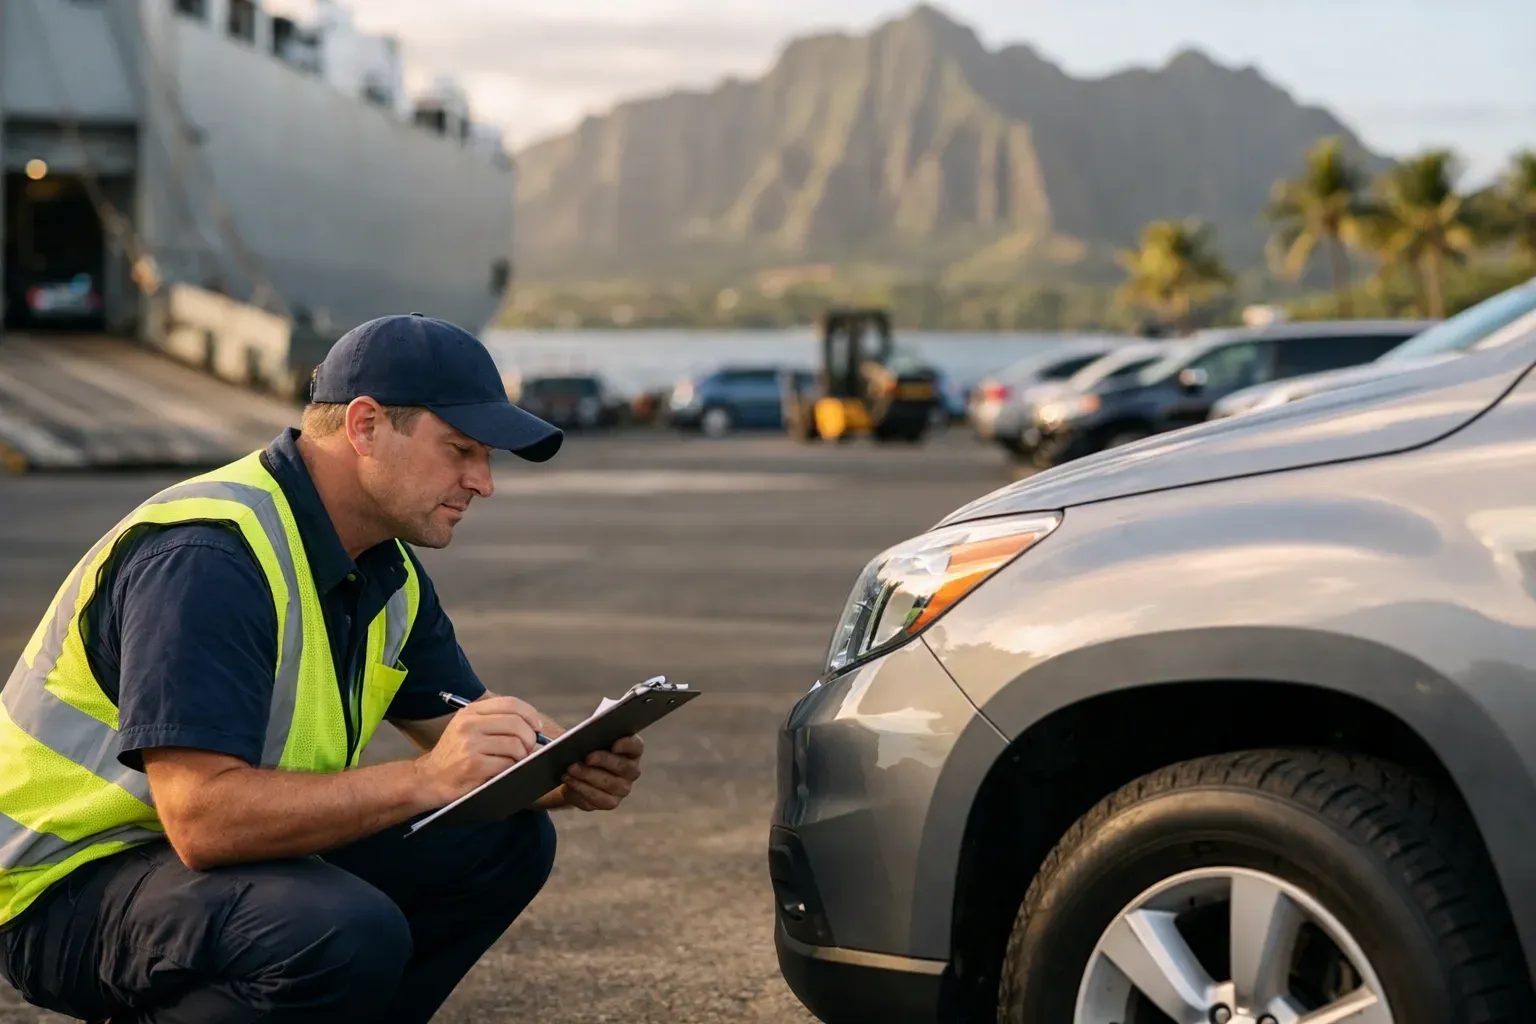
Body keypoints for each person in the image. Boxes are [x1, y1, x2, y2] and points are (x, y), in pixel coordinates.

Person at [0, 313, 645, 1023]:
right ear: (365, 426)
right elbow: (202, 820)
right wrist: (426, 780)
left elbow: (471, 739)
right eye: (461, 451)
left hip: (199, 872)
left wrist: (567, 768)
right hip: (65, 886)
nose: (483, 482)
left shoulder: (385, 570)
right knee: (336, 929)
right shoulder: (211, 558)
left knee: (501, 841)